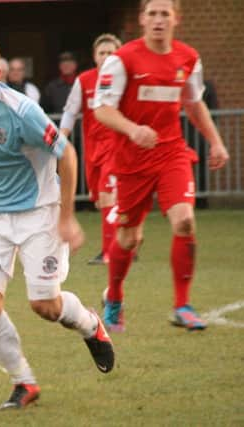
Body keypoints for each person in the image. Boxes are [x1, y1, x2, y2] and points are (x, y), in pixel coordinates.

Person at [0, 33, 114, 410]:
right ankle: (23, 382)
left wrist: (65, 217)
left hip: (37, 209)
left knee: (45, 305)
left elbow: (68, 155)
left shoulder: (21, 110)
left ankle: (91, 325)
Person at [93, 0, 229, 332]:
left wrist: (216, 141)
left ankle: (182, 305)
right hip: (131, 162)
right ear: (141, 19)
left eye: (164, 13)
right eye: (152, 13)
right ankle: (114, 299)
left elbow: (193, 104)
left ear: (176, 19)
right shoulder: (121, 60)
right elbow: (102, 109)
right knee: (128, 238)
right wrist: (133, 129)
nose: (158, 19)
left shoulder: (188, 58)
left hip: (171, 154)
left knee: (184, 221)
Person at [60, 34, 122, 265]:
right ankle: (129, 239)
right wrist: (60, 138)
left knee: (108, 197)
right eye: (102, 53)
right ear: (94, 56)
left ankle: (109, 252)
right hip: (92, 148)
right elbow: (70, 111)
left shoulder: (124, 79)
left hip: (116, 147)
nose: (106, 57)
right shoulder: (84, 80)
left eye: (111, 52)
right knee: (100, 200)